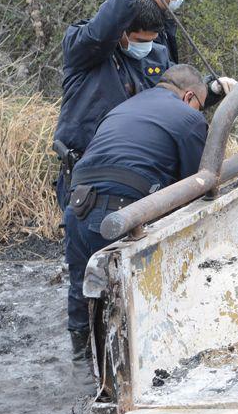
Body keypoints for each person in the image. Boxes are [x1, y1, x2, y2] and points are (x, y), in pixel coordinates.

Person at [52, 0, 234, 209]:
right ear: (122, 32)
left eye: (151, 40)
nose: (145, 47)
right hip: (85, 177)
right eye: (139, 39)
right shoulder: (84, 50)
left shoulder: (155, 56)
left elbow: (177, 96)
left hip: (137, 177)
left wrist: (212, 90)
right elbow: (98, 34)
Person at [63, 65, 217, 361]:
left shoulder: (125, 107)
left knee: (82, 293)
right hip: (122, 212)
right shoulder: (188, 117)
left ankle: (82, 367)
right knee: (131, 304)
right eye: (200, 105)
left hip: (77, 209)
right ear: (189, 97)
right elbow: (197, 182)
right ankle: (129, 374)